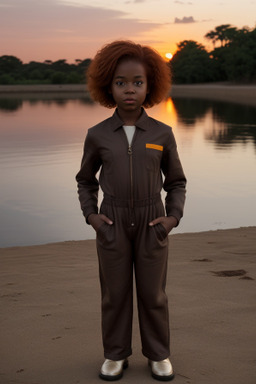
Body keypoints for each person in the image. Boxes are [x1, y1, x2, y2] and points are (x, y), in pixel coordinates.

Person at [76, 40, 186, 381]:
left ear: (149, 85)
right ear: (108, 85)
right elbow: (85, 181)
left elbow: (177, 181)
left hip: (153, 221)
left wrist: (171, 218)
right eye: (121, 82)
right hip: (113, 221)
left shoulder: (162, 133)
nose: (129, 89)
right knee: (114, 294)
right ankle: (115, 355)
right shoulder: (97, 135)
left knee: (153, 294)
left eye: (137, 82)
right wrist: (93, 217)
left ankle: (158, 355)